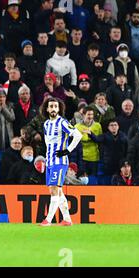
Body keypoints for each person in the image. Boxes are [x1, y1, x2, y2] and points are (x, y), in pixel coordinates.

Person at [39, 97, 82, 227]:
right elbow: (48, 143)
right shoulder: (46, 124)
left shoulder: (62, 122)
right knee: (58, 190)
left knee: (54, 189)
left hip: (60, 161)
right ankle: (67, 219)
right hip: (50, 161)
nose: (53, 109)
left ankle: (48, 220)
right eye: (51, 106)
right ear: (47, 108)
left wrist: (68, 150)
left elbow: (78, 135)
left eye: (55, 107)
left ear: (59, 109)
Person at [89, 120, 128, 184]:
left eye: (115, 125)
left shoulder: (123, 136)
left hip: (119, 164)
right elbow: (97, 139)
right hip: (107, 164)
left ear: (118, 127)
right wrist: (90, 134)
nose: (114, 127)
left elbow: (127, 148)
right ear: (108, 127)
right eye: (111, 125)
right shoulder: (105, 136)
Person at [74, 106, 103, 177]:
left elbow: (100, 140)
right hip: (82, 158)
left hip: (94, 157)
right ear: (83, 115)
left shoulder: (98, 126)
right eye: (88, 114)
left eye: (92, 114)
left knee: (93, 180)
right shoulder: (77, 127)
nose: (90, 116)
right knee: (83, 179)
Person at [0, 85, 15, 153]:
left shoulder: (10, 105)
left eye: (3, 96)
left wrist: (4, 108)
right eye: (0, 97)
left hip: (7, 135)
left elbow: (12, 118)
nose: (2, 99)